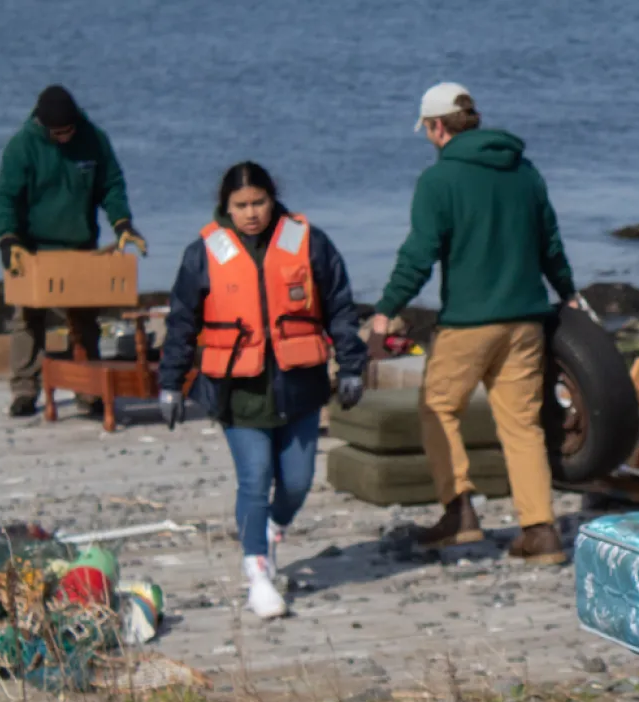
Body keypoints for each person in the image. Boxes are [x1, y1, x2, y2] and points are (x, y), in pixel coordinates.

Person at [366, 82, 577, 565]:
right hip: (526, 320)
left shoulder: (439, 181)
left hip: (469, 323)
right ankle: (540, 529)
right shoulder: (525, 172)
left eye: (427, 130)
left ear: (437, 127)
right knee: (522, 424)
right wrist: (568, 293)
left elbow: (419, 255)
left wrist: (386, 309)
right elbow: (551, 245)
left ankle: (459, 511)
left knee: (439, 408)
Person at [158, 162, 367, 619]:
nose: (251, 213)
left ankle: (275, 527)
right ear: (226, 206)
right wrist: (170, 383)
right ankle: (257, 572)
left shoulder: (309, 243)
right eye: (241, 205)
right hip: (237, 389)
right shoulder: (203, 253)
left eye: (258, 203)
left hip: (300, 384)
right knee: (254, 478)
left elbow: (340, 306)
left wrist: (353, 366)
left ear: (272, 200)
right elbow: (181, 322)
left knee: (296, 481)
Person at [0, 84, 145, 418]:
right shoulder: (22, 146)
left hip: (80, 245)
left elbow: (112, 184)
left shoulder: (94, 139)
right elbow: (6, 196)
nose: (63, 137)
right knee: (28, 319)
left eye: (68, 130)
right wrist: (7, 238)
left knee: (84, 321)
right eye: (57, 132)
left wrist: (122, 224)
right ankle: (24, 390)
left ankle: (88, 392)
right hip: (33, 248)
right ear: (43, 126)